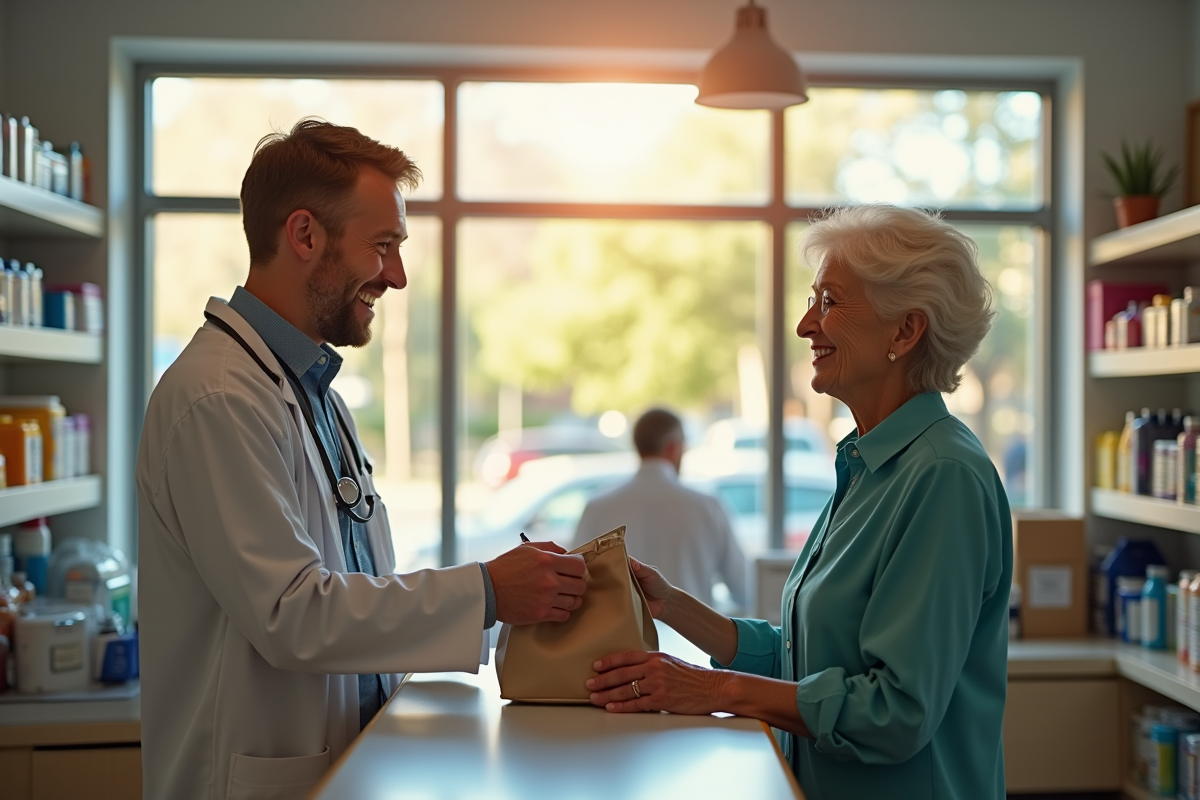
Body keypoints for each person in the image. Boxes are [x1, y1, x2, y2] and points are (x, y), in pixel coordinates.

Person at [136, 120, 589, 800]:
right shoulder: (217, 399)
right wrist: (488, 592)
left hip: (347, 766)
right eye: (384, 247)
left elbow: (354, 588)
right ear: (305, 235)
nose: (398, 276)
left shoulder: (310, 393)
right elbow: (293, 614)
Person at [585, 204, 1012, 800]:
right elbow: (802, 660)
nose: (805, 324)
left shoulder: (942, 476)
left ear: (905, 330)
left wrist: (712, 691)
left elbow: (896, 711)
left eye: (830, 302)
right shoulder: (866, 463)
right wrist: (675, 606)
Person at [573, 408, 748, 609]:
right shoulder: (707, 506)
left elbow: (579, 583)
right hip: (692, 637)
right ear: (674, 448)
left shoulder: (597, 507)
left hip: (620, 639)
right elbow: (743, 588)